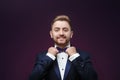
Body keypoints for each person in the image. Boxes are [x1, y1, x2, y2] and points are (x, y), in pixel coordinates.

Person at [29, 15, 98, 80]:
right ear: (51, 34)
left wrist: (75, 56)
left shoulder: (83, 56)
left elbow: (92, 78)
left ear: (71, 34)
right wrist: (49, 56)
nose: (61, 33)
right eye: (57, 30)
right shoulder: (42, 56)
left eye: (65, 30)